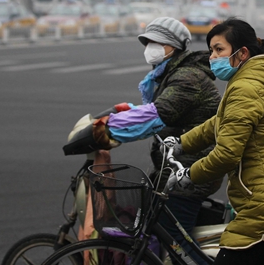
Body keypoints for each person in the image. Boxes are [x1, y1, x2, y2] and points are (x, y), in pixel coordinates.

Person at [162, 18, 264, 265]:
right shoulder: (245, 82)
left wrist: (189, 175)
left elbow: (227, 154)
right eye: (211, 50)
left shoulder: (245, 88)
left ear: (242, 53)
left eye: (219, 49)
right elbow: (218, 123)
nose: (212, 56)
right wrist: (181, 144)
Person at [91, 17, 222, 264]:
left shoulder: (187, 77)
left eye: (157, 42)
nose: (150, 47)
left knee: (174, 242)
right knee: (163, 236)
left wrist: (107, 130)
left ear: (173, 46)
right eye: (147, 41)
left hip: (189, 174)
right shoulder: (172, 73)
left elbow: (158, 114)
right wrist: (122, 113)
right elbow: (155, 109)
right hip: (177, 169)